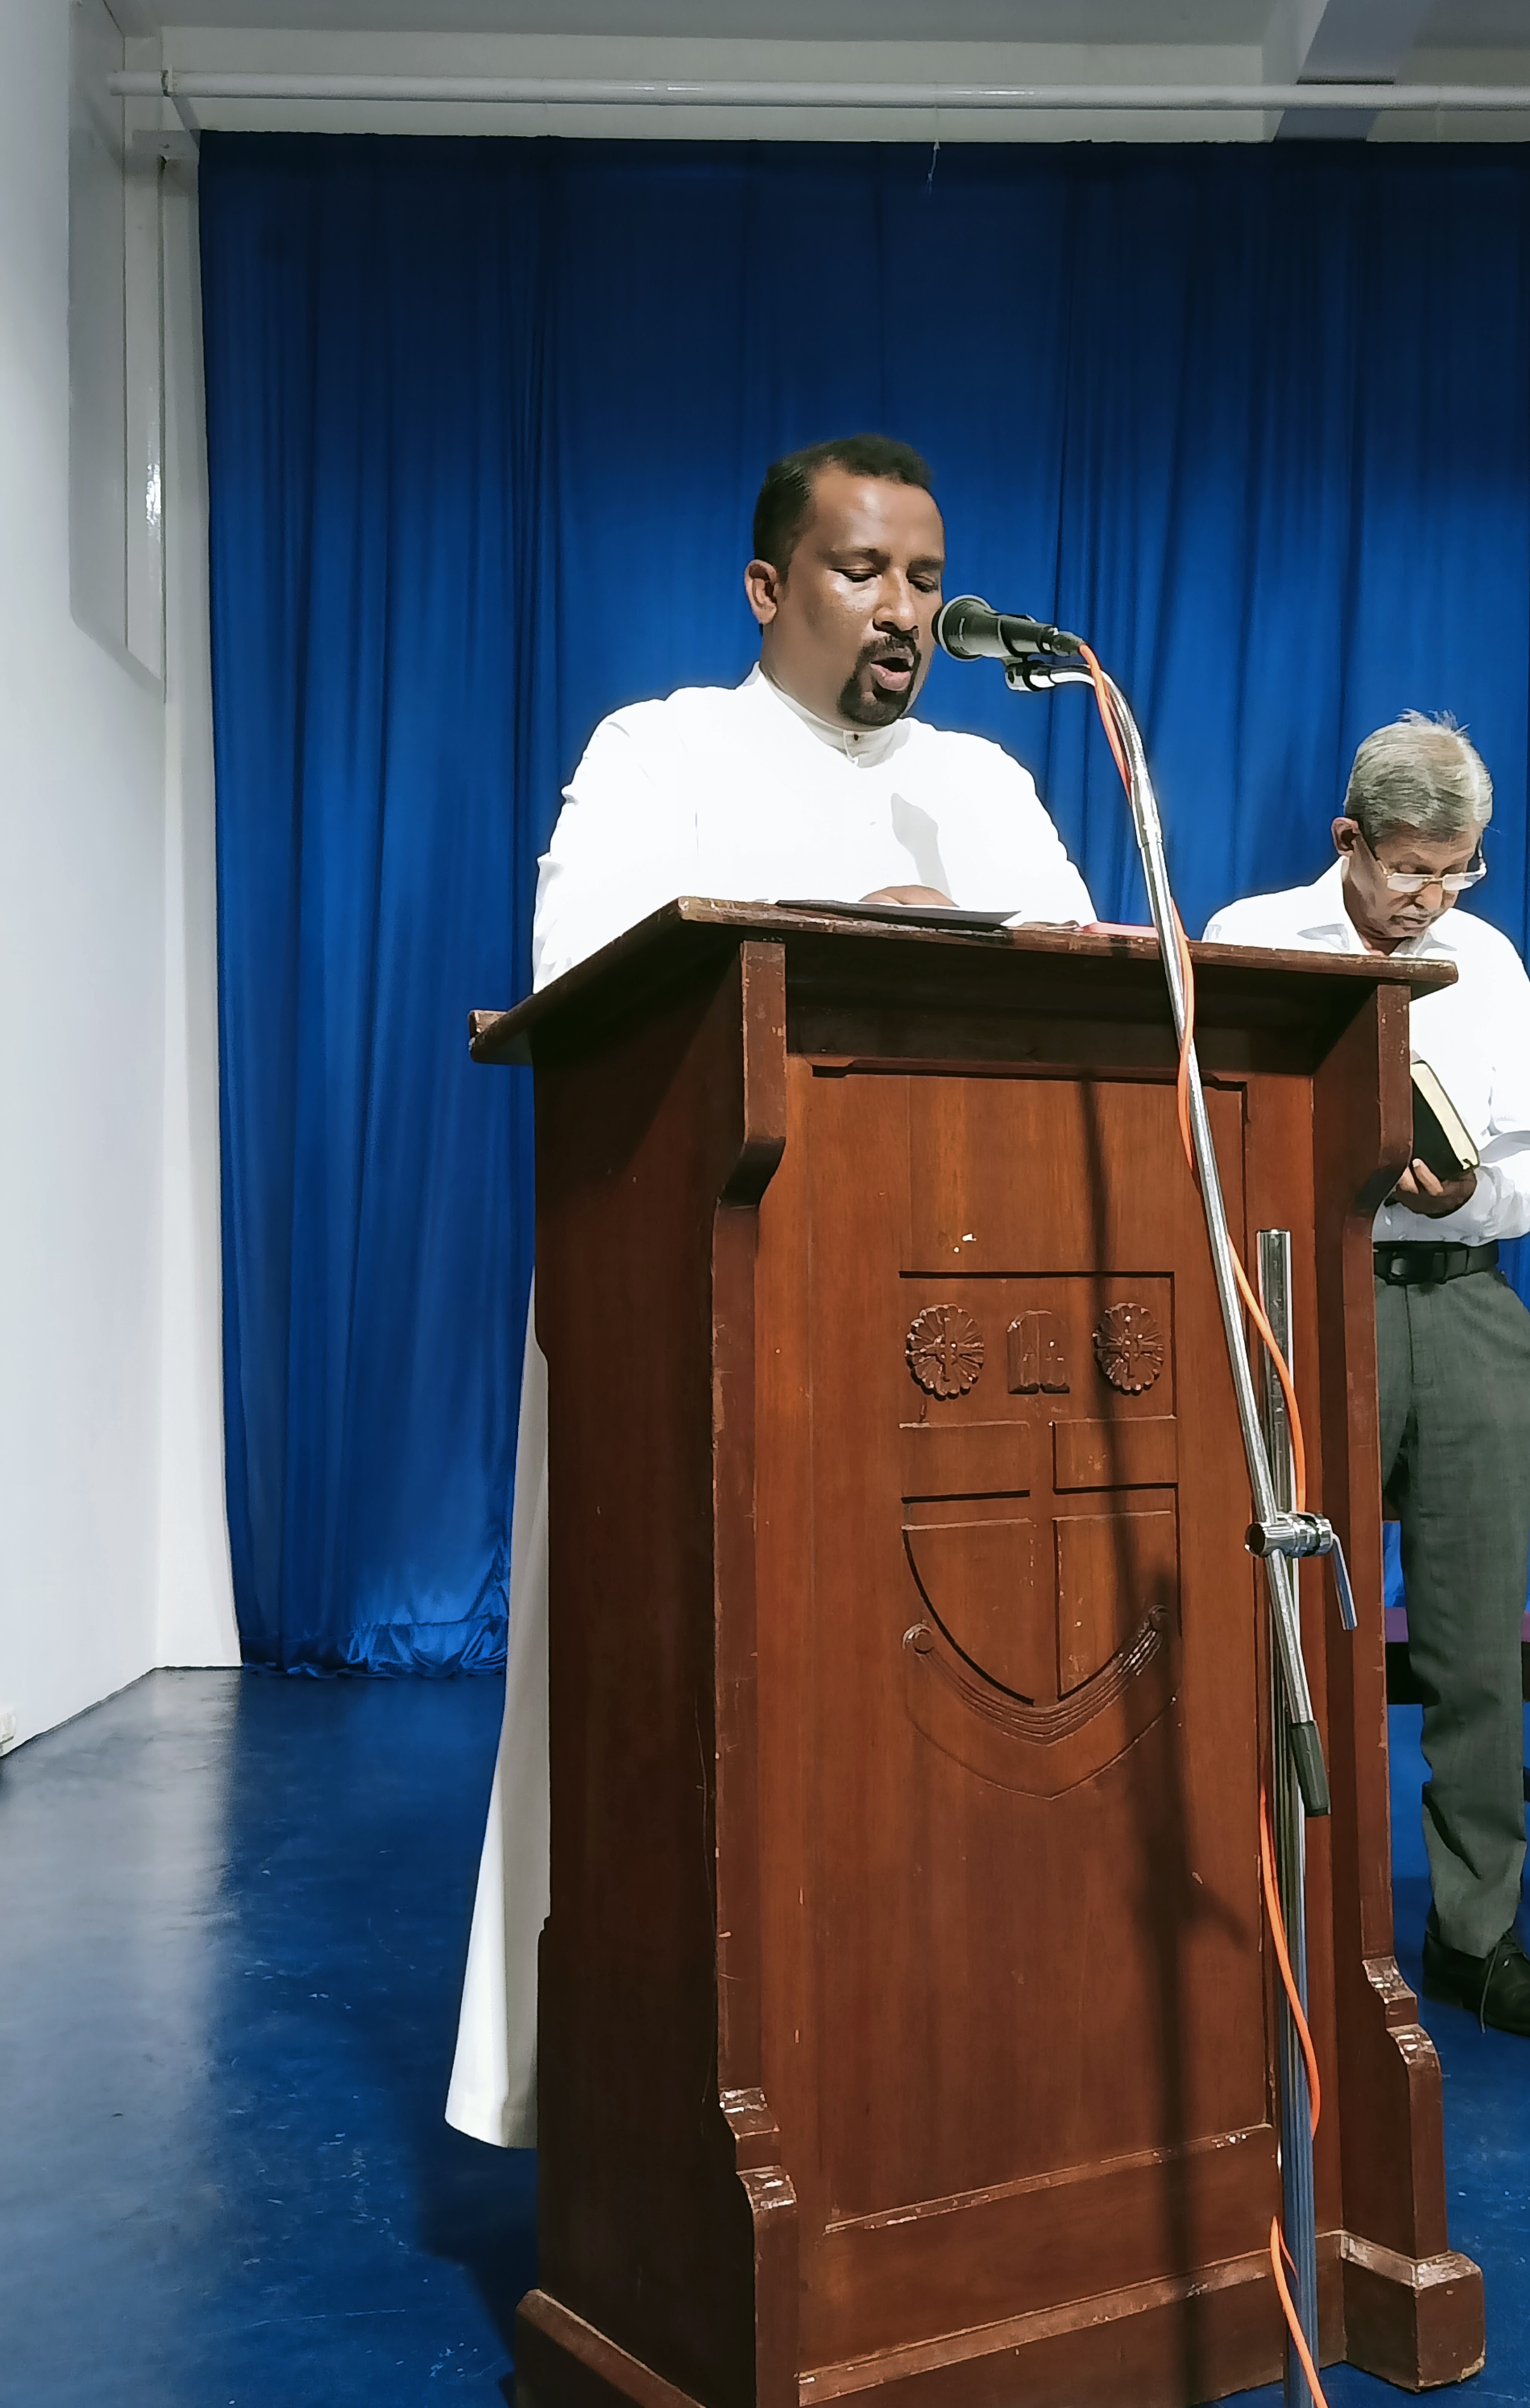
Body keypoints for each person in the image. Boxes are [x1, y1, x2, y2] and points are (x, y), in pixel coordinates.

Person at [446, 434, 1094, 2147]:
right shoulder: (660, 750)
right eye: (862, 571)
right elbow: (582, 983)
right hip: (715, 1318)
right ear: (767, 586)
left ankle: (934, 2094)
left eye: (926, 579)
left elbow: (1090, 1006)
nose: (904, 610)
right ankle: (653, 2117)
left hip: (957, 1334)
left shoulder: (987, 783)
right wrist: (842, 926)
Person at [1206, 714, 1530, 2039]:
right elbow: (1210, 1136)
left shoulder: (1489, 959)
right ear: (1350, 841)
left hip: (1466, 1307)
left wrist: (1467, 1192)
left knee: (1478, 1645)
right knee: (1297, 1627)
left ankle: (1476, 1934)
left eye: (1457, 871)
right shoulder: (1255, 935)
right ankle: (1293, 1924)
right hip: (1312, 1302)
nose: (1431, 899)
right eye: (1412, 869)